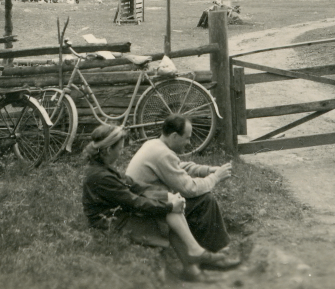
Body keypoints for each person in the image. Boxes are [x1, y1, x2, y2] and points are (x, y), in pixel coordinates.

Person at [81, 124, 231, 281]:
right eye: (119, 148)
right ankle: (193, 260)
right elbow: (135, 202)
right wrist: (168, 206)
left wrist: (166, 196)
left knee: (171, 209)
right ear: (107, 150)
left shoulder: (103, 168)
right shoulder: (101, 176)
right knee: (168, 217)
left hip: (119, 213)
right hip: (110, 222)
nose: (121, 151)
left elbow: (134, 185)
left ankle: (193, 259)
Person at [125, 114, 239, 268]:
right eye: (187, 138)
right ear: (174, 136)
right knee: (205, 201)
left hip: (148, 203)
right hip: (148, 213)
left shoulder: (154, 144)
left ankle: (209, 252)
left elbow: (178, 166)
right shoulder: (162, 154)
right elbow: (190, 189)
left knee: (200, 200)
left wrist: (208, 170)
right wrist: (216, 177)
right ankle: (214, 256)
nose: (189, 143)